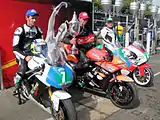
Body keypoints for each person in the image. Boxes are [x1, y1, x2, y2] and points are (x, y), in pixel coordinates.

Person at [12, 9, 43, 89]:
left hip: (35, 54)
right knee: (23, 69)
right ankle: (17, 79)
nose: (34, 20)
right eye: (32, 18)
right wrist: (25, 57)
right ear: (27, 18)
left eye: (35, 18)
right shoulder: (20, 30)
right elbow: (15, 48)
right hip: (23, 54)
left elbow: (42, 43)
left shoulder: (38, 30)